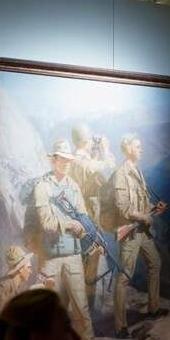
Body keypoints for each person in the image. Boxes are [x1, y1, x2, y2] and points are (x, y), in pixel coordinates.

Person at [32, 140, 96, 340]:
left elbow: (83, 216)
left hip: (73, 255)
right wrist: (69, 224)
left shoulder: (74, 187)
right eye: (62, 159)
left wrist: (85, 229)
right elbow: (47, 222)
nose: (66, 163)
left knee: (81, 308)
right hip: (51, 257)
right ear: (53, 160)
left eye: (69, 160)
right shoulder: (42, 187)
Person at [111, 133, 166, 338]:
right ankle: (120, 327)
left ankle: (153, 308)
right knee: (124, 277)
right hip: (131, 232)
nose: (141, 149)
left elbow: (142, 201)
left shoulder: (136, 171)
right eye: (137, 146)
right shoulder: (121, 174)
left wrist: (154, 209)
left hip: (142, 230)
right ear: (128, 149)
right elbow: (123, 208)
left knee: (155, 264)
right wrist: (144, 216)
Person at [69, 123, 115, 307]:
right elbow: (109, 172)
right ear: (86, 141)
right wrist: (106, 150)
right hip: (87, 218)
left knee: (84, 261)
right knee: (92, 261)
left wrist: (94, 155)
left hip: (80, 218)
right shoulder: (84, 163)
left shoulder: (74, 160)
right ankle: (88, 308)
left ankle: (82, 307)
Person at [0, 245, 34, 313]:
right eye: (29, 267)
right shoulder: (3, 287)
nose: (31, 271)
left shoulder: (23, 286)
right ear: (20, 269)